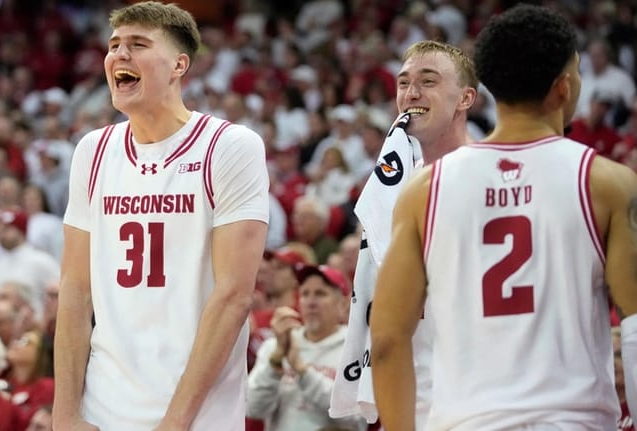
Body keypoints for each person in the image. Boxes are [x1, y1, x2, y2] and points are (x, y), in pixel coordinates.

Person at [370, 5, 637, 430]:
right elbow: (635, 324)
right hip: (571, 420)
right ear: (564, 87)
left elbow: (386, 340)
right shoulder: (606, 183)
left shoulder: (424, 190)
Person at [53, 2, 269, 430]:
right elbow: (75, 291)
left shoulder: (229, 146)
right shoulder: (92, 152)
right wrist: (64, 415)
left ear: (178, 65)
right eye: (114, 45)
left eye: (138, 45)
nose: (120, 55)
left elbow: (234, 295)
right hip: (102, 408)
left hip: (197, 415)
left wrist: (175, 422)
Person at [330, 40, 477, 428]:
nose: (411, 93)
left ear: (465, 98)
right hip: (408, 393)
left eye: (428, 81)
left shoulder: (485, 178)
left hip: (474, 395)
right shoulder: (393, 184)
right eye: (403, 82)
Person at [247, 264, 365, 431]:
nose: (311, 302)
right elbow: (253, 409)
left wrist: (303, 372)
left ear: (343, 304)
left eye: (320, 294)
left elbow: (358, 416)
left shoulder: (357, 349)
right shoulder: (276, 345)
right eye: (305, 294)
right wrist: (274, 364)